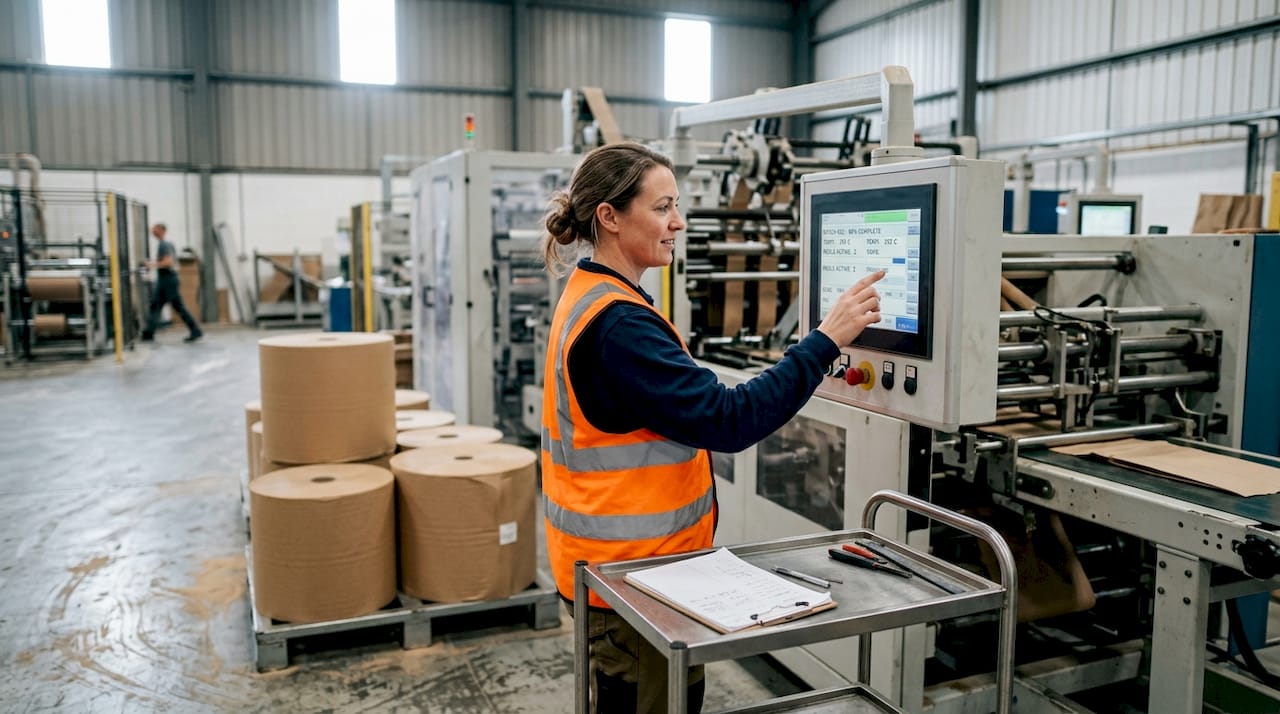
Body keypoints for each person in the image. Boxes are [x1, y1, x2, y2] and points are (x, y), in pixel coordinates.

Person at [540, 142, 884, 714]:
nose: (678, 222)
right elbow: (729, 419)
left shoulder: (594, 294)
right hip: (634, 579)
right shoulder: (619, 324)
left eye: (676, 205)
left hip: (625, 570)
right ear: (609, 216)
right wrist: (825, 341)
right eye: (662, 207)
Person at [142, 223, 203, 343]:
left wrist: (152, 265)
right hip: (165, 280)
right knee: (156, 305)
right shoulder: (167, 244)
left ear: (161, 230)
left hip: (168, 280)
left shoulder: (164, 245)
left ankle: (195, 330)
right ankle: (148, 332)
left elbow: (168, 262)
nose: (152, 231)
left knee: (177, 306)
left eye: (154, 229)